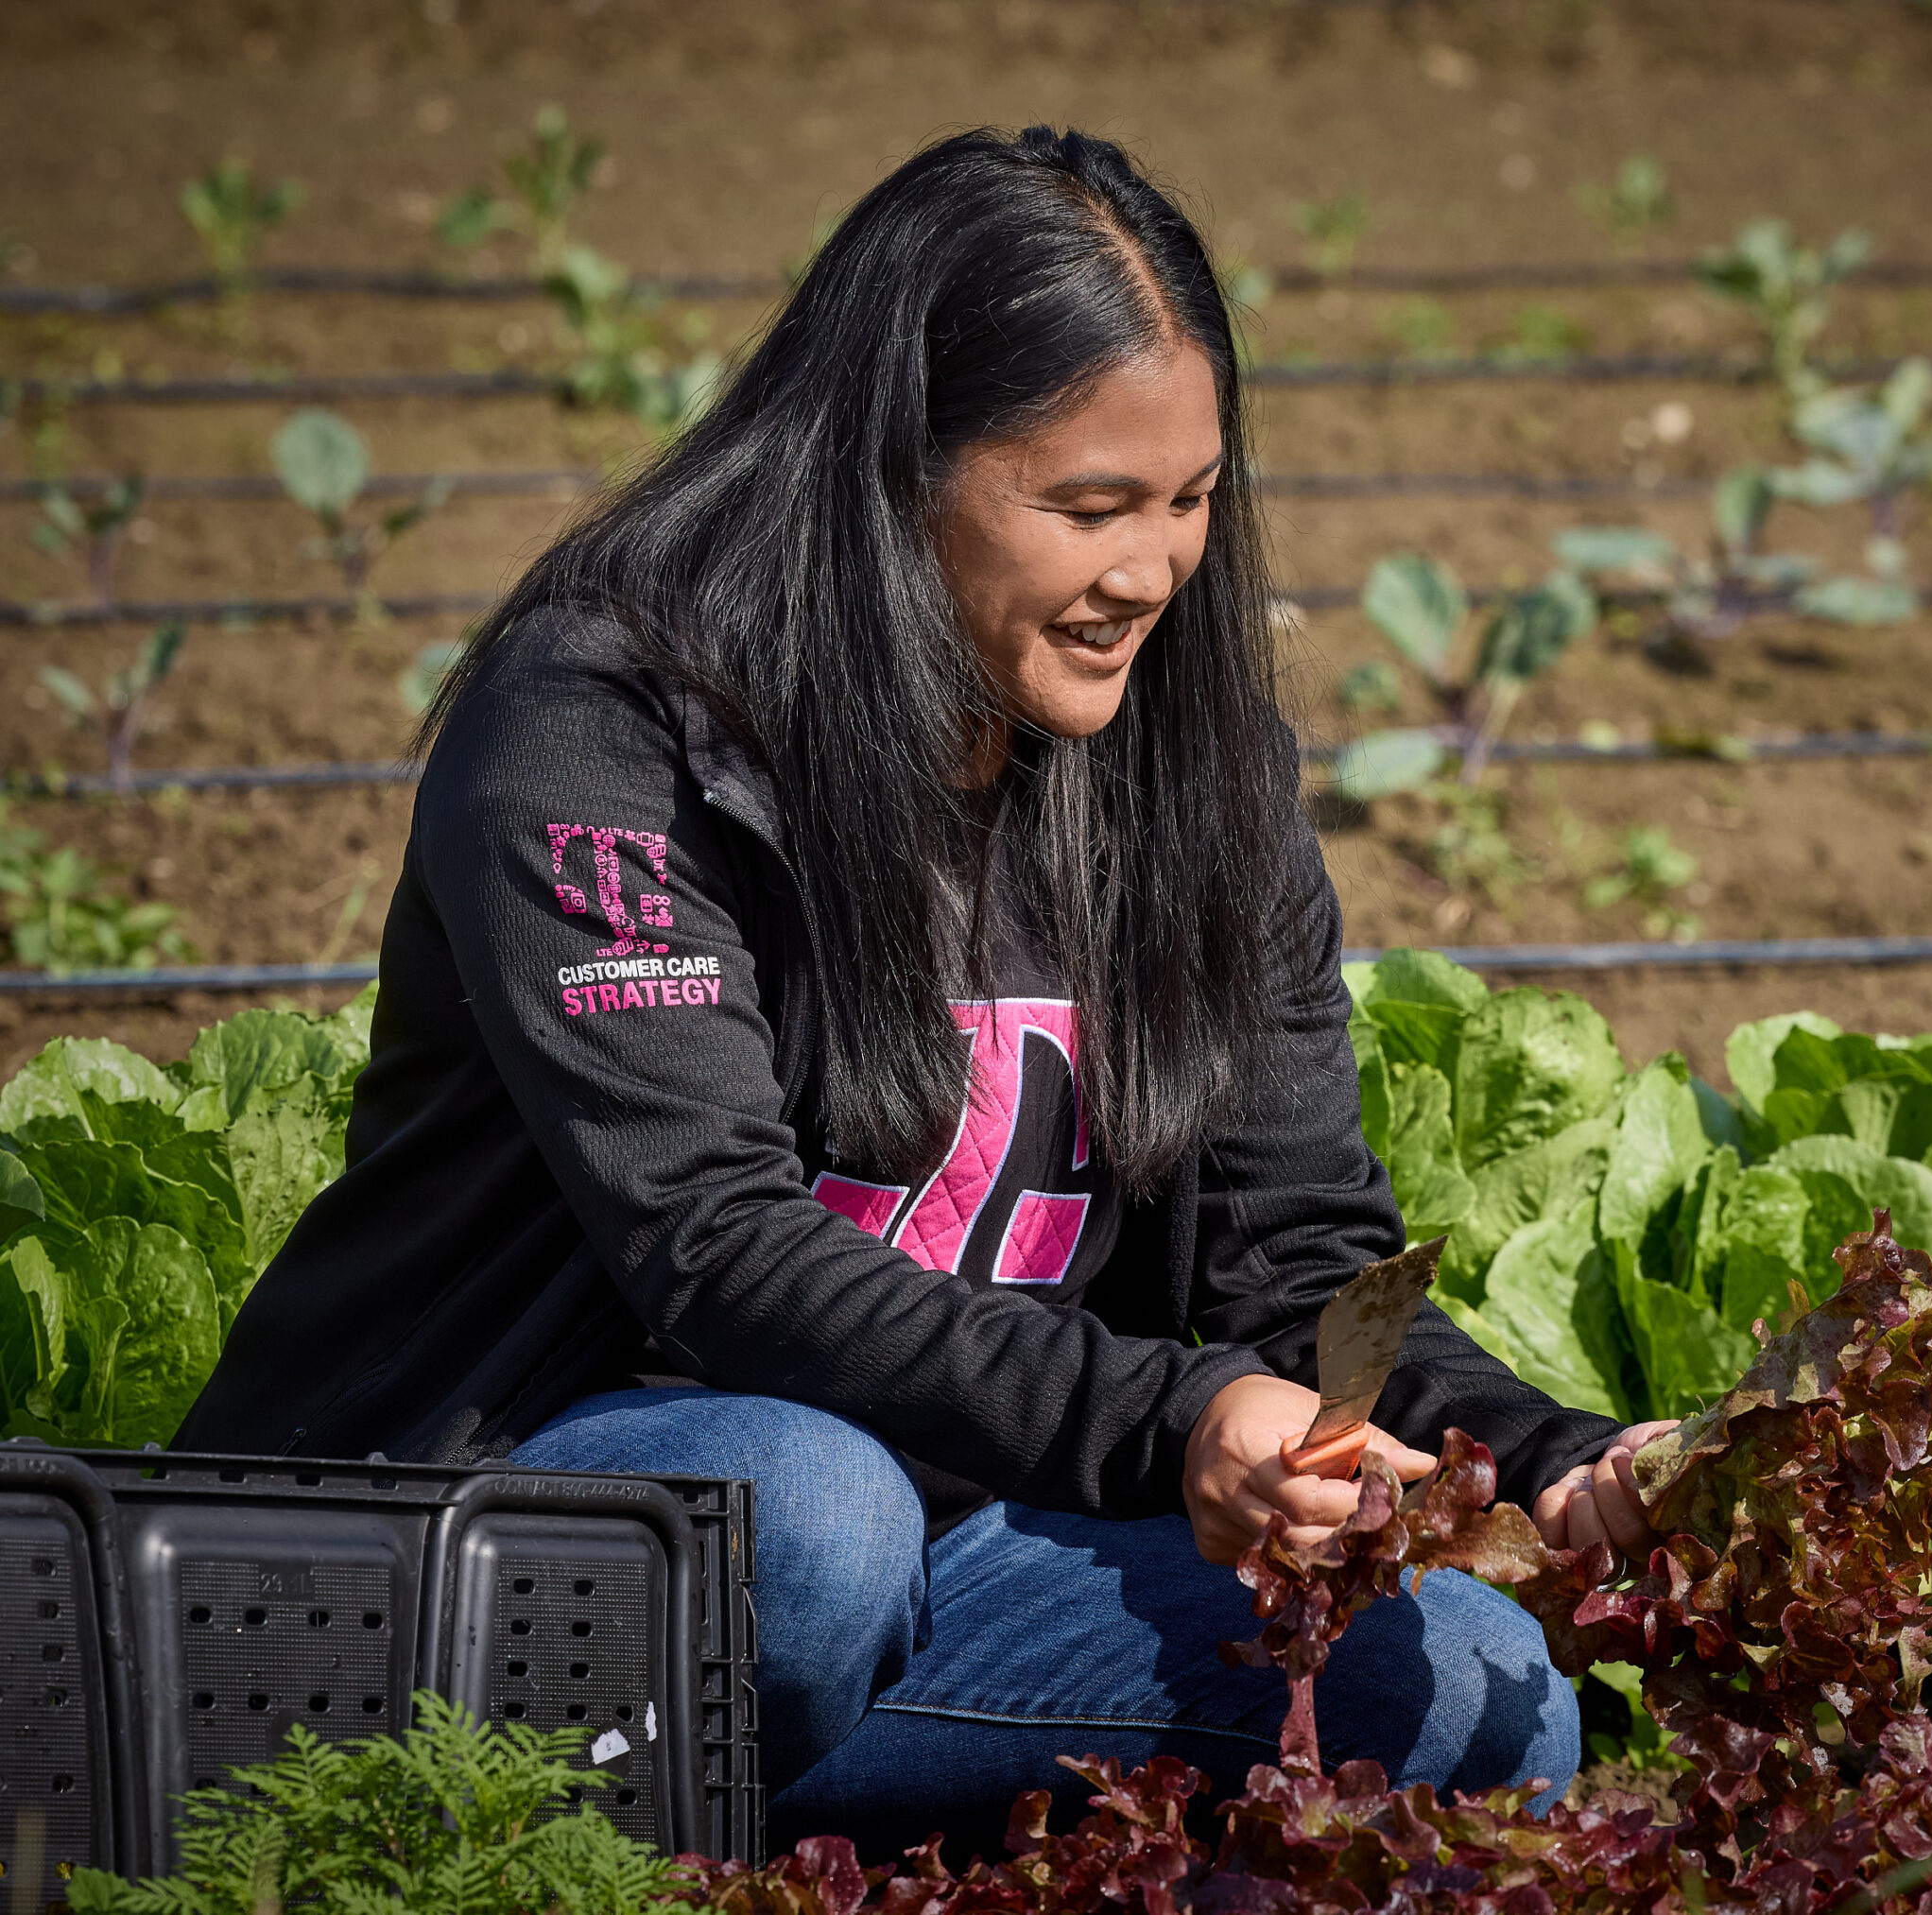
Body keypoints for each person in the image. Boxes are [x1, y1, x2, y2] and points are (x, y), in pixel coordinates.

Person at [177, 127, 1671, 1857]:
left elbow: (1302, 1267)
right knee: (806, 1524)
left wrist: (1559, 1452)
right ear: (891, 472)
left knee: (1481, 1683)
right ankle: (440, 1831)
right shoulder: (607, 720)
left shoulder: (1199, 774)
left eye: (1189, 500)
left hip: (940, 1560)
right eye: (1090, 507)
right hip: (477, 1539)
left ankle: (781, 1851)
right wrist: (1170, 1417)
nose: (1153, 571)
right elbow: (716, 1244)